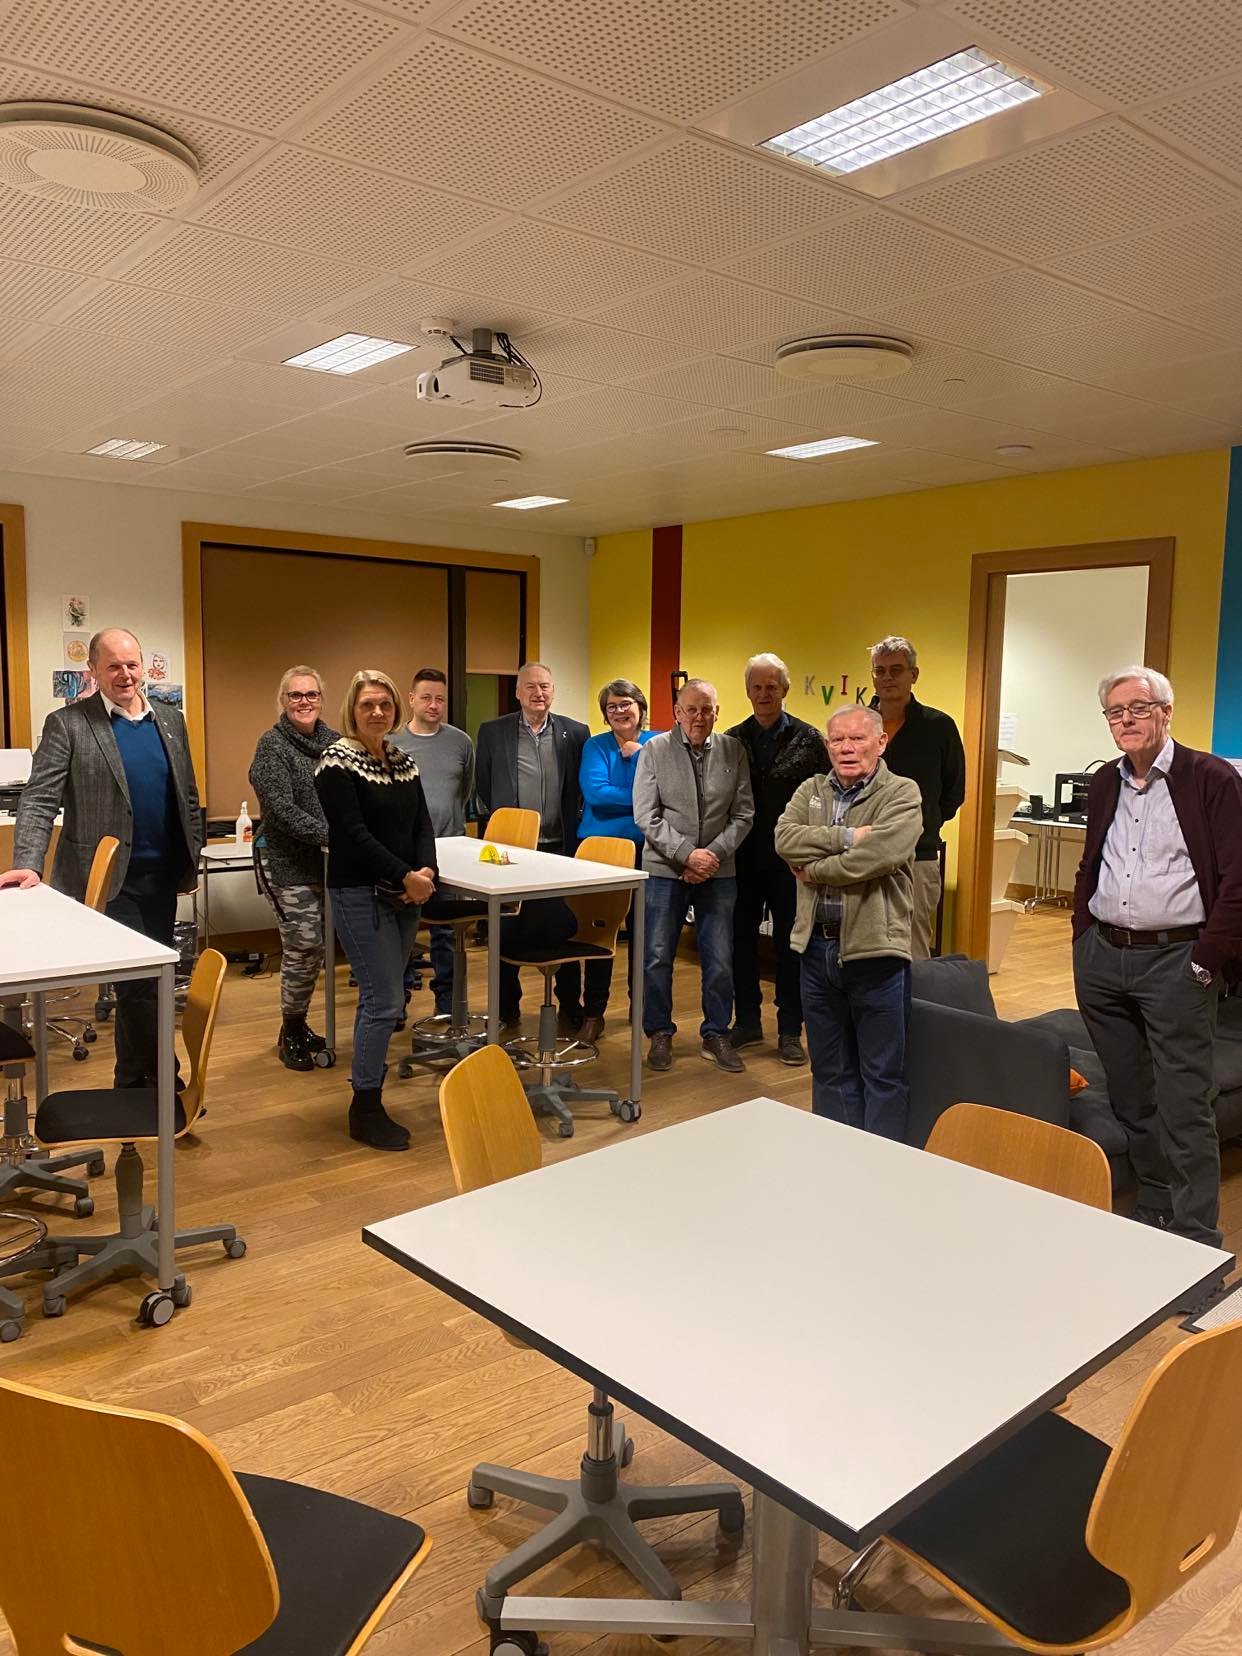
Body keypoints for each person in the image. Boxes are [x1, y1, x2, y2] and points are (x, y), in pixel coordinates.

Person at [1072, 666, 1242, 1291]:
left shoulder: (1211, 779)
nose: (1125, 720)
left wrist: (1207, 958)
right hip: (1104, 957)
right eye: (1115, 712)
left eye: (1138, 708)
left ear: (1166, 711)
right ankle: (1155, 1212)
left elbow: (1238, 877)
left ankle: (1197, 1250)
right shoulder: (1104, 781)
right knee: (1130, 1098)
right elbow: (1093, 862)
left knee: (1184, 1104)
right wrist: (1082, 938)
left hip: (1177, 961)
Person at [0, 628, 201, 1089]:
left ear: (142, 666)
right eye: (113, 666)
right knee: (138, 984)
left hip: (161, 874)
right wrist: (29, 861)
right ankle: (163, 1082)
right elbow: (39, 798)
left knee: (152, 981)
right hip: (108, 877)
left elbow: (187, 794)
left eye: (132, 664)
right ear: (92, 670)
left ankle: (131, 1081)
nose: (125, 674)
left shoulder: (170, 719)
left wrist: (192, 855)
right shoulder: (69, 723)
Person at [775, 705, 922, 1140]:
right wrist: (848, 837)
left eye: (857, 738)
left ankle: (881, 1167)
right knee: (829, 1070)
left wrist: (815, 870)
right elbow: (784, 838)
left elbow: (880, 855)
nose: (846, 748)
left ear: (881, 743)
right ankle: (834, 1157)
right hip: (815, 950)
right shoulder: (811, 790)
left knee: (883, 1075)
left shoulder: (901, 793)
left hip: (875, 952)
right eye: (837, 739)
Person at [316, 670, 437, 1152]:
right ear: (353, 709)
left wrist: (425, 872)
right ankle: (364, 1107)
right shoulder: (336, 762)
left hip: (404, 895)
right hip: (359, 893)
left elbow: (422, 823)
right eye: (367, 704)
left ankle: (367, 1097)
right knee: (383, 1000)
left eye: (385, 704)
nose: (377, 712)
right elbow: (351, 834)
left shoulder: (403, 760)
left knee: (385, 1000)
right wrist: (404, 875)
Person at [632, 678, 753, 1073]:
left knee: (720, 959)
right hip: (664, 870)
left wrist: (710, 856)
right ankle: (659, 1032)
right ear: (677, 713)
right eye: (692, 710)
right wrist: (686, 855)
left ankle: (716, 1032)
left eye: (707, 709)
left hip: (719, 871)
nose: (699, 717)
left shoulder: (734, 750)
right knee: (656, 956)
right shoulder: (654, 750)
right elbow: (646, 814)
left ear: (717, 712)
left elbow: (743, 814)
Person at [475, 661, 590, 1032]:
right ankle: (506, 1006)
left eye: (544, 686)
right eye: (530, 686)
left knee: (565, 926)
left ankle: (570, 1004)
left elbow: (579, 787)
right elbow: (484, 785)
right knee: (506, 927)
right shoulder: (493, 732)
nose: (538, 693)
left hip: (560, 848)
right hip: (512, 852)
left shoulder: (576, 732)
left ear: (553, 690)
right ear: (517, 692)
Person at [726, 652, 826, 1067]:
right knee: (741, 944)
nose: (764, 694)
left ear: (784, 689)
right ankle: (747, 1021)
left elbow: (825, 797)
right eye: (757, 687)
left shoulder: (811, 739)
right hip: (742, 859)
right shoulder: (731, 740)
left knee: (790, 946)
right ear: (747, 691)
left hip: (792, 864)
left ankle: (789, 1031)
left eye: (771, 686)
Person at [248, 666, 339, 1072]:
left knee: (319, 949)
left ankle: (298, 1024)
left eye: (312, 694)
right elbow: (281, 810)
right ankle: (292, 1030)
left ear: (321, 699)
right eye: (296, 695)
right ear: (283, 700)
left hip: (328, 863)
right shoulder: (272, 746)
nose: (304, 702)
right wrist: (331, 836)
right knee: (304, 946)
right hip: (285, 862)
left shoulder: (337, 744)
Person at [868, 635, 965, 960]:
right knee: (863, 952)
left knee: (912, 952)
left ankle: (913, 999)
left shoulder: (938, 727)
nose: (887, 677)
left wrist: (922, 823)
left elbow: (953, 791)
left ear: (914, 674)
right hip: (862, 856)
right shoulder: (859, 724)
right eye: (880, 671)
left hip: (916, 858)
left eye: (896, 670)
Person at [389, 667, 475, 1019]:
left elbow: (464, 790)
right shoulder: (391, 742)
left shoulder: (461, 742)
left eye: (440, 698)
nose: (434, 705)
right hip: (404, 853)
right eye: (426, 697)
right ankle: (395, 1004)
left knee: (447, 933)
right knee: (401, 931)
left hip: (450, 851)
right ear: (411, 699)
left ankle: (447, 1002)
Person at [577, 678, 658, 1045]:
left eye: (626, 703)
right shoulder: (595, 746)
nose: (620, 711)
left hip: (648, 851)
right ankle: (594, 1013)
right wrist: (643, 799)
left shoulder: (658, 742)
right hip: (601, 851)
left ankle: (641, 1009)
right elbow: (597, 794)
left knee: (646, 937)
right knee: (600, 934)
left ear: (640, 706)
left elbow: (667, 790)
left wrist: (638, 755)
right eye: (612, 706)